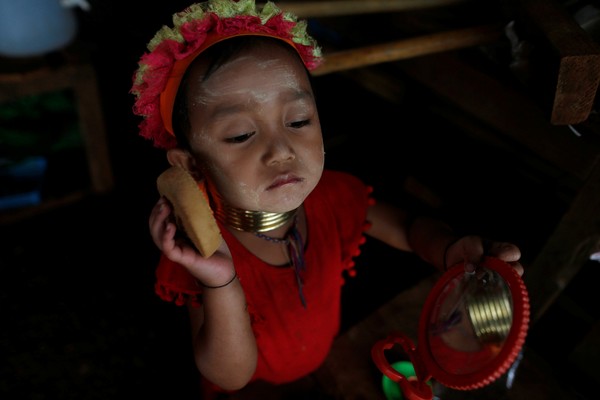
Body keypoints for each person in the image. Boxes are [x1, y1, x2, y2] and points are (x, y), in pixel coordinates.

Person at [130, 0, 523, 397]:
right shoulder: (202, 249)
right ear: (192, 165)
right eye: (240, 135)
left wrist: (449, 250)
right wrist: (222, 284)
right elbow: (231, 376)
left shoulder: (332, 196)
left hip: (321, 358)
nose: (281, 150)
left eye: (298, 121)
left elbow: (406, 228)